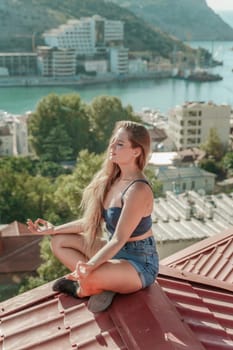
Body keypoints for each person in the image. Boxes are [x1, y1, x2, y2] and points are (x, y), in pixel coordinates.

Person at [27, 120, 159, 312]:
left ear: (136, 152)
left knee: (89, 275)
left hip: (139, 262)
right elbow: (91, 222)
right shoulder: (113, 180)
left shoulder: (138, 189)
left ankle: (83, 289)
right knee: (58, 241)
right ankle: (105, 283)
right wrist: (54, 229)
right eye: (113, 141)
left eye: (120, 144)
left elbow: (119, 239)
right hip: (114, 253)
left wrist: (90, 266)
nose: (112, 147)